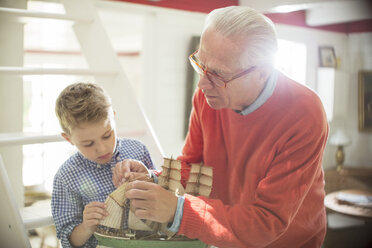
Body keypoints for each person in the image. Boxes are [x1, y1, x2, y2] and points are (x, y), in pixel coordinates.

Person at [114, 6, 328, 248]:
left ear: (262, 72)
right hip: (224, 235)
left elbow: (267, 222)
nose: (203, 83)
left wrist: (178, 211)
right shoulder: (207, 96)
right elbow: (193, 165)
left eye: (218, 74)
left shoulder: (304, 112)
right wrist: (153, 179)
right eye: (200, 64)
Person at [51, 82, 155, 248]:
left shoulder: (138, 151)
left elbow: (162, 194)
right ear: (69, 139)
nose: (102, 148)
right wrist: (86, 226)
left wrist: (147, 177)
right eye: (88, 143)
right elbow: (68, 239)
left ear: (113, 118)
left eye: (107, 135)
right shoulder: (66, 177)